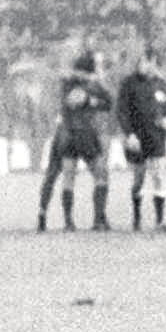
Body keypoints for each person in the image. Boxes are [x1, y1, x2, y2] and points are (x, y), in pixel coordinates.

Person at [118, 45, 166, 232]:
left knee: (158, 175)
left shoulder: (160, 83)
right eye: (139, 61)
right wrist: (129, 134)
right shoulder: (129, 83)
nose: (141, 64)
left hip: (156, 137)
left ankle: (160, 220)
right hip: (137, 138)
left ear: (152, 63)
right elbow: (122, 111)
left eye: (145, 61)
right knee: (139, 179)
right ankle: (137, 217)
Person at [58, 50, 114, 231]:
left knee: (68, 176)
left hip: (67, 134)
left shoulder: (66, 84)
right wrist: (93, 100)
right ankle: (98, 220)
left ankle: (68, 222)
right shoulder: (92, 86)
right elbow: (109, 102)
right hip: (85, 135)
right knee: (101, 175)